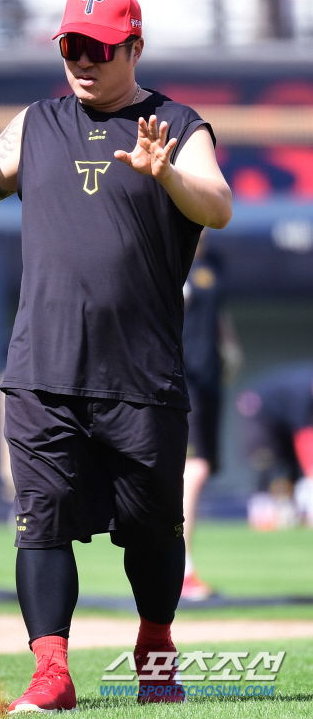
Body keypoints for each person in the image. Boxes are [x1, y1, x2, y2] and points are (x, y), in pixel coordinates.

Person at [0, 0, 232, 710]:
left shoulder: (178, 125)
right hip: (42, 372)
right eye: (70, 47)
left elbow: (220, 205)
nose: (82, 60)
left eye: (98, 48)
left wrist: (168, 172)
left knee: (152, 531)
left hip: (141, 376)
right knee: (40, 524)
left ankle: (155, 645)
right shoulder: (39, 123)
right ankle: (51, 673)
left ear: (135, 48)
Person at [181, 232, 241, 600]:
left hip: (210, 382)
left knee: (200, 469)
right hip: (181, 380)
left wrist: (229, 344)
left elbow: (217, 312)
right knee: (194, 470)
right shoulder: (171, 257)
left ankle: (179, 568)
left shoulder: (213, 264)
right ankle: (182, 570)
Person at [237, 362, 313, 527]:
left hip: (282, 422)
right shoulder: (301, 392)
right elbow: (304, 436)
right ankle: (260, 511)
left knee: (294, 464)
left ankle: (296, 510)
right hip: (259, 413)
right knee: (264, 460)